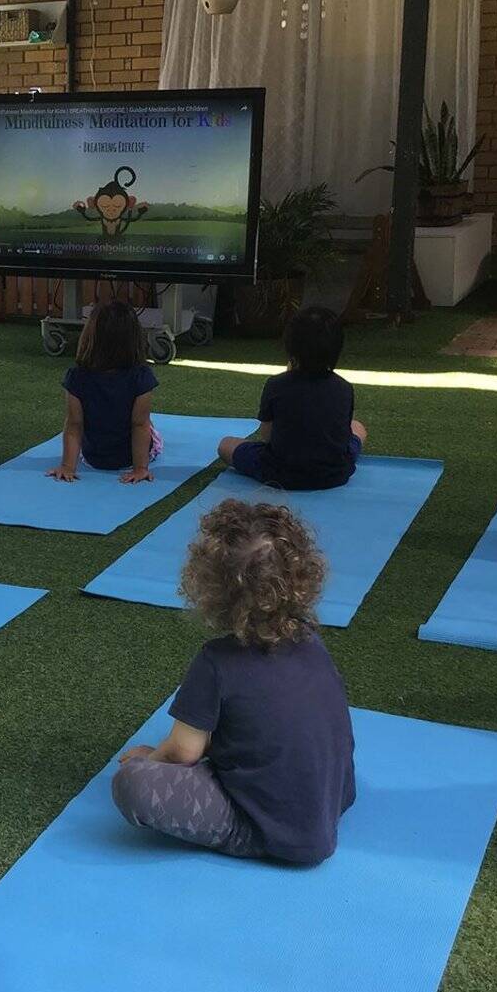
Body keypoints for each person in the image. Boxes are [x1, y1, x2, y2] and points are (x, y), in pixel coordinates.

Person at [112, 500, 356, 865]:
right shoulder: (310, 640)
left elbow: (183, 752)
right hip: (332, 798)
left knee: (131, 786)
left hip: (265, 829)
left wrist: (149, 761)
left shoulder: (216, 661)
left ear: (209, 589)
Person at [218, 305, 366, 491]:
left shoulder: (277, 384)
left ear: (290, 348)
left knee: (226, 445)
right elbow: (343, 435)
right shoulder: (344, 387)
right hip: (335, 473)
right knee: (358, 427)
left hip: (280, 473)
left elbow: (267, 435)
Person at [46, 299, 163, 484]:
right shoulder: (141, 376)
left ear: (90, 336)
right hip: (129, 460)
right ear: (134, 338)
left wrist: (68, 466)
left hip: (93, 457)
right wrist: (140, 468)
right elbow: (140, 425)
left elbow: (74, 425)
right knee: (147, 424)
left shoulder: (76, 377)